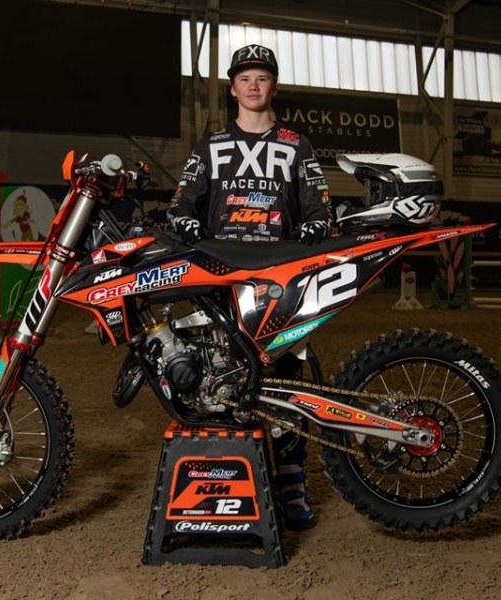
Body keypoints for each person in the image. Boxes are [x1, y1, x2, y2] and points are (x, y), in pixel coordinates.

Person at [167, 44, 332, 530]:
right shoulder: (211, 145)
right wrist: (186, 223)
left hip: (279, 279)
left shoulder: (297, 144)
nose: (253, 86)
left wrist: (315, 227)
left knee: (285, 383)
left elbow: (320, 207)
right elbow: (180, 204)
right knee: (220, 378)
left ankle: (292, 480)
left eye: (262, 78)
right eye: (245, 78)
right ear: (233, 89)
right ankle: (224, 482)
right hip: (220, 276)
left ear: (273, 87)